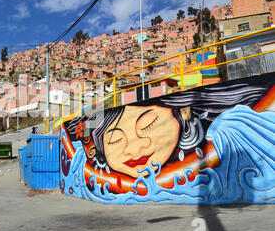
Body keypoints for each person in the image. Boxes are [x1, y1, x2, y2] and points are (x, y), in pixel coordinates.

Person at [62, 76, 275, 204]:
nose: (135, 149)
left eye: (148, 125)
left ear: (182, 112)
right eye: (115, 140)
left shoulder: (232, 128)